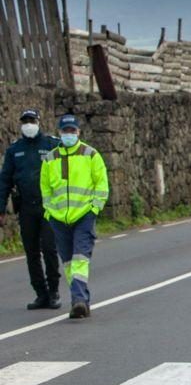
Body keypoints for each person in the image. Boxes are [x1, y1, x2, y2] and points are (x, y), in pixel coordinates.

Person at [40, 114, 109, 320]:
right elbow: (45, 188)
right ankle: (81, 300)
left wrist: (94, 208)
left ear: (78, 132)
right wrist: (50, 211)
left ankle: (78, 300)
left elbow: (101, 184)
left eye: (72, 130)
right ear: (59, 133)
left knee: (80, 258)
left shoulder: (91, 154)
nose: (69, 134)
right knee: (69, 262)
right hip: (59, 219)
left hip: (84, 216)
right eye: (65, 131)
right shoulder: (50, 158)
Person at [0, 109, 63, 310]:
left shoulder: (51, 145)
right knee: (31, 252)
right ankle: (41, 294)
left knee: (49, 249)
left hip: (48, 206)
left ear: (38, 122)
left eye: (31, 120)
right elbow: (4, 180)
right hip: (26, 206)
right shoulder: (14, 150)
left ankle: (53, 291)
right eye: (25, 121)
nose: (28, 124)